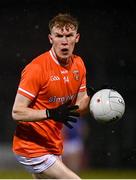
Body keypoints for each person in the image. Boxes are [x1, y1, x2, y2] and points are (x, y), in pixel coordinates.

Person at [11, 13, 92, 179]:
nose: (64, 41)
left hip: (53, 145)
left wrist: (95, 99)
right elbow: (17, 112)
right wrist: (50, 113)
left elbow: (78, 110)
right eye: (59, 36)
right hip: (31, 147)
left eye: (69, 35)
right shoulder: (37, 69)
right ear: (50, 38)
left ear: (76, 38)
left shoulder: (79, 65)